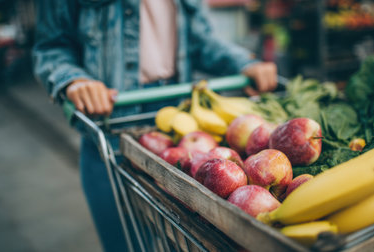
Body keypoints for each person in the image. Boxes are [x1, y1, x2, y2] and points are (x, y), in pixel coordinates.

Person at [33, 0, 278, 251]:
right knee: (125, 244)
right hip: (112, 121)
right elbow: (52, 46)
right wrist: (74, 79)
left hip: (174, 121)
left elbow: (200, 41)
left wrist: (243, 62)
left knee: (182, 240)